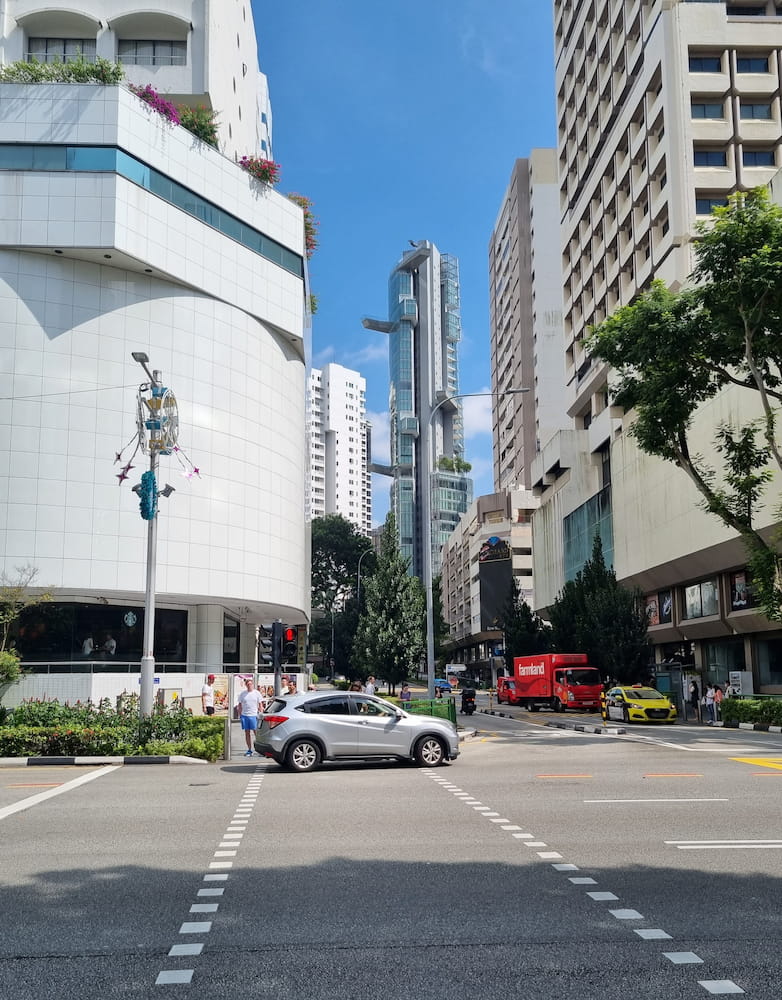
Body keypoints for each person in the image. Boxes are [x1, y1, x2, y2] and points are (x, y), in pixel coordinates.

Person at [236, 678, 264, 757]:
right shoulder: (243, 694)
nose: (249, 686)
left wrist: (261, 714)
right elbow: (240, 705)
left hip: (254, 715)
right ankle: (249, 750)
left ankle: (260, 750)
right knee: (247, 733)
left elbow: (260, 705)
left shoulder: (257, 693)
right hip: (245, 715)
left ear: (253, 685)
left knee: (256, 733)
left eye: (250, 684)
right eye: (248, 684)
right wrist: (240, 715)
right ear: (246, 685)